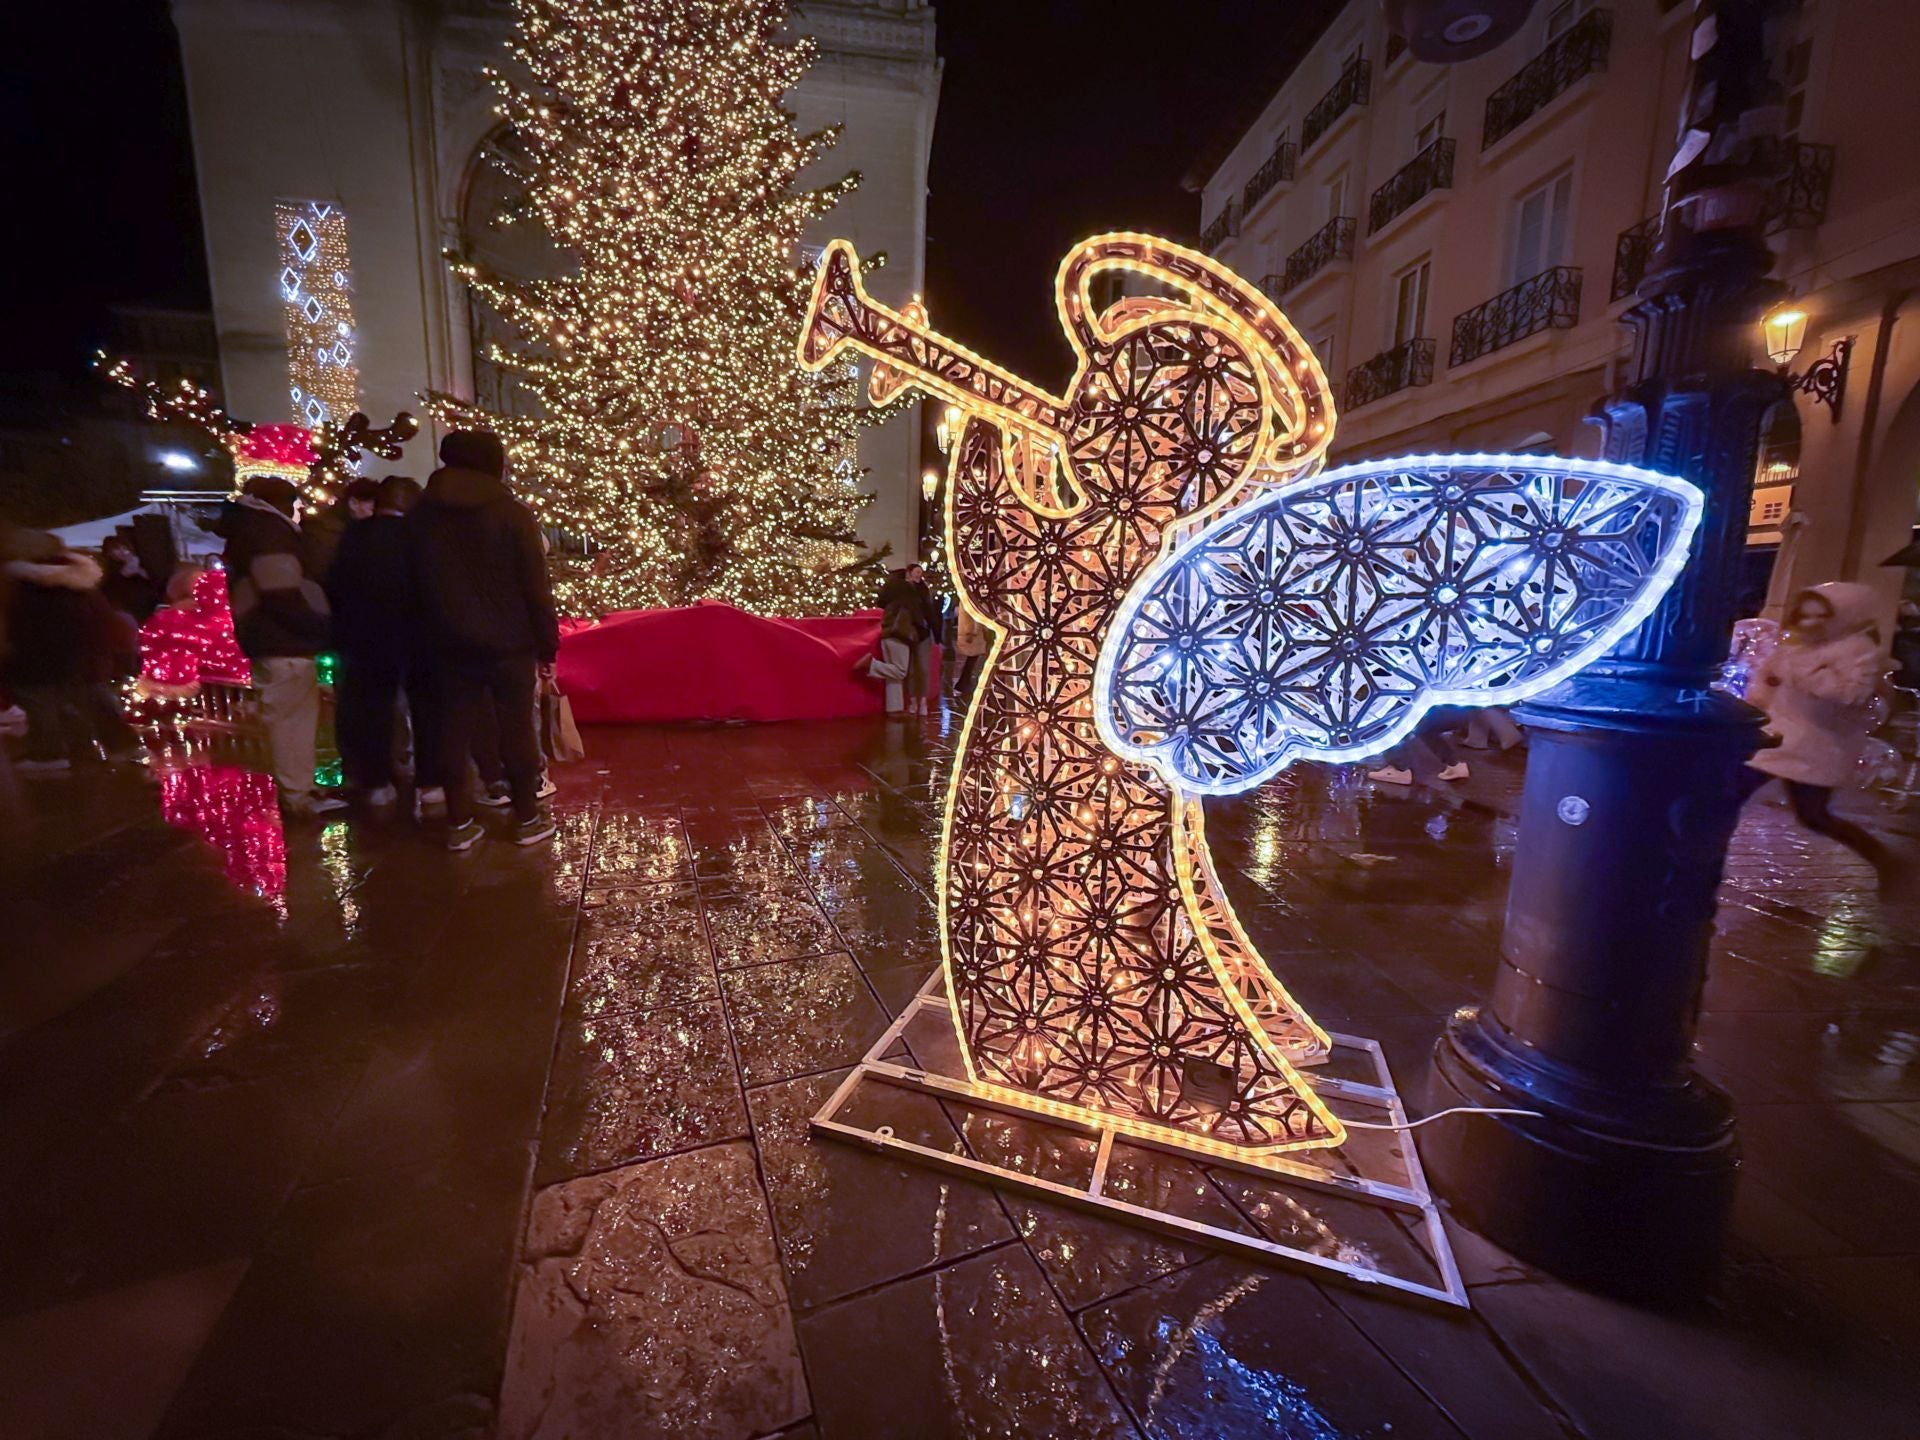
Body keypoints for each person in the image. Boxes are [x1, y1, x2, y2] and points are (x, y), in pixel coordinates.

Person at [408, 430, 559, 849]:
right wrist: (547, 645)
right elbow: (536, 587)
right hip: (510, 642)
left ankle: (459, 823)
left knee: (453, 729)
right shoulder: (511, 513)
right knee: (517, 728)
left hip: (445, 643)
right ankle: (527, 817)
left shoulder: (421, 516)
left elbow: (410, 584)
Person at [1737, 583, 1911, 890]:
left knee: (1814, 816)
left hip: (1814, 749)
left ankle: (1888, 863)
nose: (1810, 623)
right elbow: (1765, 685)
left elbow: (1848, 694)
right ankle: (1698, 858)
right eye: (1805, 615)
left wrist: (1810, 673)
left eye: (1820, 616)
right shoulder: (1796, 645)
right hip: (1776, 737)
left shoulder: (1860, 653)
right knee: (1729, 793)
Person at [222, 474, 344, 818]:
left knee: (286, 720)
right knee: (292, 723)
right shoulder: (268, 533)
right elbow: (281, 592)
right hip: (284, 641)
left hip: (270, 639)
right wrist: (319, 627)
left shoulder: (248, 529)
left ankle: (297, 789)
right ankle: (297, 796)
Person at [1, 533, 139, 772]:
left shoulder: (25, 587)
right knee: (89, 697)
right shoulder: (82, 582)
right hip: (82, 654)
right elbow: (104, 620)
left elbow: (19, 625)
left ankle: (49, 753)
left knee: (40, 702)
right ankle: (119, 745)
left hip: (35, 656)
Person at [324, 475, 420, 807]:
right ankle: (418, 777)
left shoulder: (354, 535)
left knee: (367, 709)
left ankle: (372, 778)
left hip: (358, 638)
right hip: (406, 635)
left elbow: (335, 585)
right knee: (414, 709)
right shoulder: (414, 537)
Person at [878, 563, 941, 715]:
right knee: (909, 670)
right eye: (916, 572)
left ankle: (922, 702)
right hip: (908, 633)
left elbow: (929, 612)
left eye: (920, 572)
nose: (919, 575)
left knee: (921, 669)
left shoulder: (922, 590)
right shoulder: (903, 591)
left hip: (918, 633)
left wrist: (935, 632)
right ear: (909, 573)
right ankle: (913, 702)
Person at [301, 476, 380, 582]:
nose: (374, 515)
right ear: (354, 503)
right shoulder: (326, 530)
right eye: (372, 509)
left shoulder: (338, 527)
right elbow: (317, 571)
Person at [1368, 706, 1470, 786]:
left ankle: (1399, 769)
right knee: (1426, 730)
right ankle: (1456, 766)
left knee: (1390, 721)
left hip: (1439, 709)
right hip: (1460, 709)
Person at [99, 535, 162, 623]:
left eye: (124, 548)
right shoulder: (111, 574)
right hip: (129, 615)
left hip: (150, 611)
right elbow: (110, 594)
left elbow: (157, 588)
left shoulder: (143, 564)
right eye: (116, 549)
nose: (122, 552)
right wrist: (123, 574)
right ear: (109, 553)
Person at [953, 599, 989, 699]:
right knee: (972, 661)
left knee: (971, 661)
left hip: (969, 634)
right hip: (972, 635)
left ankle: (964, 685)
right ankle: (964, 685)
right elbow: (976, 617)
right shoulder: (971, 600)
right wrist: (974, 631)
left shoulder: (965, 600)